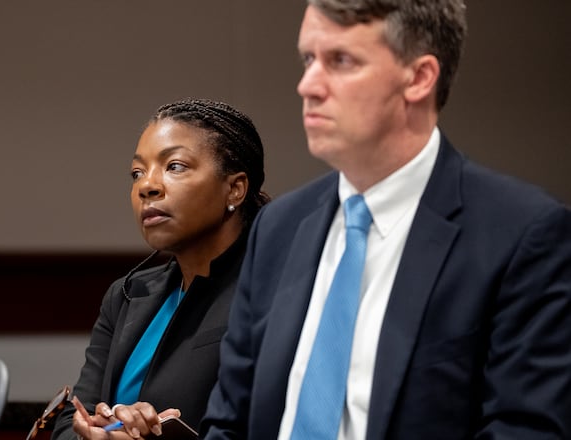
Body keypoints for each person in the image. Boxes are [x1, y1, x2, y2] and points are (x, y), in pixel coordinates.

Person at [202, 1, 571, 439]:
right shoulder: (278, 226)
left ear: (418, 78)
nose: (308, 85)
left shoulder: (523, 234)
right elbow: (228, 422)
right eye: (308, 59)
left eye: (340, 61)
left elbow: (524, 430)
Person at [50, 98, 269, 440]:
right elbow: (68, 424)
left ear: (235, 188)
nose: (146, 186)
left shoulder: (269, 291)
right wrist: (96, 434)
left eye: (175, 166)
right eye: (137, 173)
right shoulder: (127, 294)